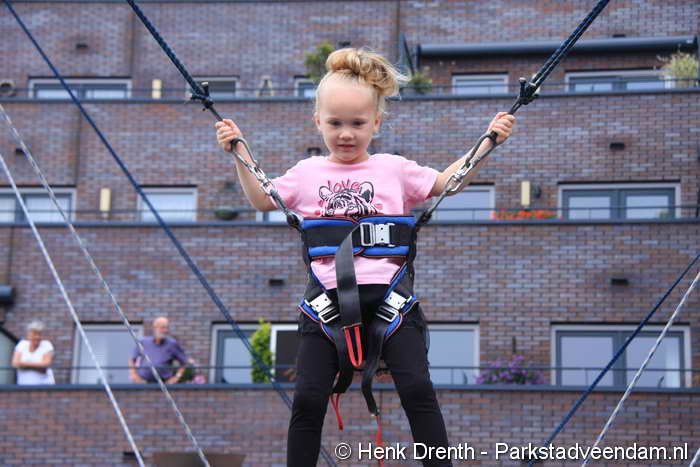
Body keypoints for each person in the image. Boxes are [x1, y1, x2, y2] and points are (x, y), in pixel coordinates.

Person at [215, 47, 514, 467]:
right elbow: (263, 199)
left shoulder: (393, 169)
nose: (346, 134)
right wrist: (240, 155)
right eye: (335, 123)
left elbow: (448, 183)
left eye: (357, 124)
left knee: (418, 390)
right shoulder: (308, 173)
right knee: (308, 398)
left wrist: (488, 142)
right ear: (318, 121)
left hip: (391, 303)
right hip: (327, 306)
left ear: (376, 122)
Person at [128, 316, 188, 384]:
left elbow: (184, 362)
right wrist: (134, 375)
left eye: (167, 327)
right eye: (162, 327)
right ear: (155, 328)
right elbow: (132, 359)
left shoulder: (172, 344)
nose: (165, 330)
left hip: (164, 384)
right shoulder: (143, 342)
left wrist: (177, 377)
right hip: (144, 383)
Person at [12, 320, 55, 385]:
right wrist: (37, 367)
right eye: (34, 334)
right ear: (29, 334)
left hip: (44, 386)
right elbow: (15, 364)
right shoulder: (22, 344)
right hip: (23, 385)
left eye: (39, 334)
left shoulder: (47, 345)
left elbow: (45, 366)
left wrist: (23, 365)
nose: (37, 337)